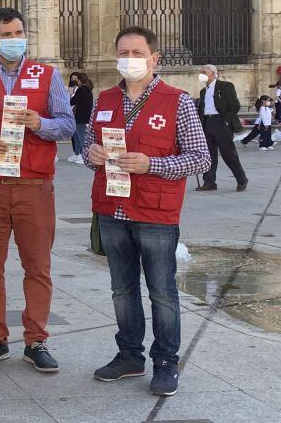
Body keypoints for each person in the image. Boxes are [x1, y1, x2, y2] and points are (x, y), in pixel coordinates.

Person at [85, 26, 210, 396]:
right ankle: (129, 355)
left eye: (138, 53)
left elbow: (200, 157)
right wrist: (90, 156)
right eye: (124, 52)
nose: (130, 59)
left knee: (161, 291)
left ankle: (166, 361)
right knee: (122, 289)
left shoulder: (178, 101)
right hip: (112, 207)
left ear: (154, 58)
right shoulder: (104, 99)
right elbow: (90, 146)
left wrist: (151, 164)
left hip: (156, 211)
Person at [0, 7, 75, 373]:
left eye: (19, 33)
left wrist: (40, 123)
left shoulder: (48, 76)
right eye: (7, 35)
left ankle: (36, 339)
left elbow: (69, 125)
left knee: (37, 266)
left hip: (34, 185)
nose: (14, 40)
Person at [196, 64, 248, 192]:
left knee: (228, 153)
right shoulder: (203, 91)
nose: (201, 74)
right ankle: (209, 182)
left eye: (204, 72)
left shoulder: (225, 86)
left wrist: (226, 121)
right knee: (208, 154)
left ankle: (241, 179)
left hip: (221, 122)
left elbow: (234, 105)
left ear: (212, 73)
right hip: (207, 122)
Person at [68, 73, 94, 163]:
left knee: (80, 136)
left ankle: (83, 155)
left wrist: (71, 94)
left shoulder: (82, 89)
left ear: (79, 80)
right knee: (76, 135)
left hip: (80, 116)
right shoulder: (87, 89)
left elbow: (72, 101)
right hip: (82, 115)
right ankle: (77, 154)